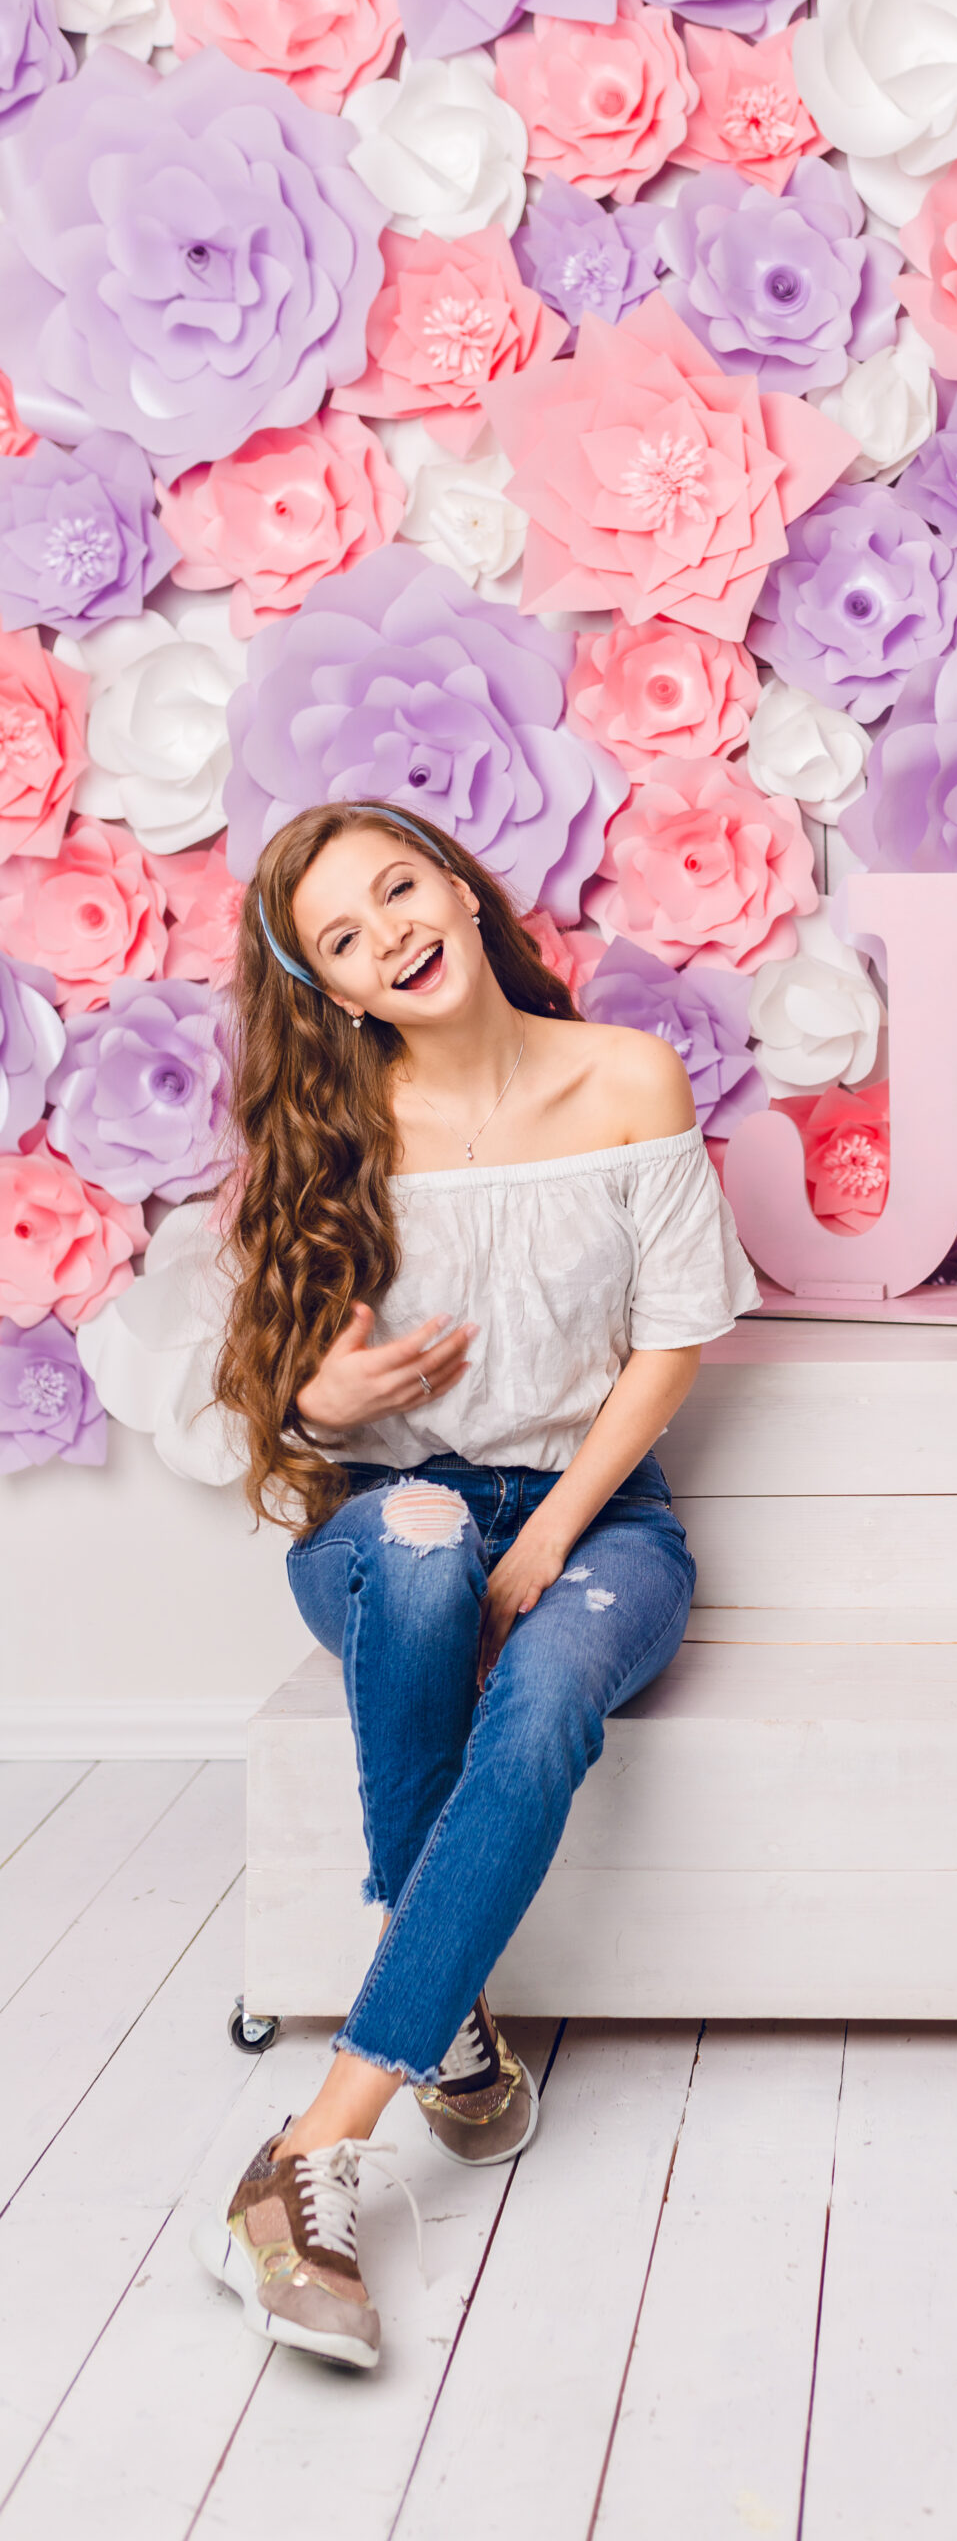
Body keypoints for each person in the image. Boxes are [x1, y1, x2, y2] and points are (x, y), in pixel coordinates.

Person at [190, 798, 757, 2371]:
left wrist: (554, 1536)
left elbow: (672, 1345)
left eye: (399, 890)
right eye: (345, 940)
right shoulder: (340, 1122)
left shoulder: (624, 1077)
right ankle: (424, 2033)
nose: (392, 936)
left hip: (603, 1517)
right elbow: (285, 1397)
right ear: (338, 991)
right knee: (429, 1549)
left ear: (458, 881)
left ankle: (311, 2149)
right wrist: (336, 1405)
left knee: (554, 1684)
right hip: (388, 1525)